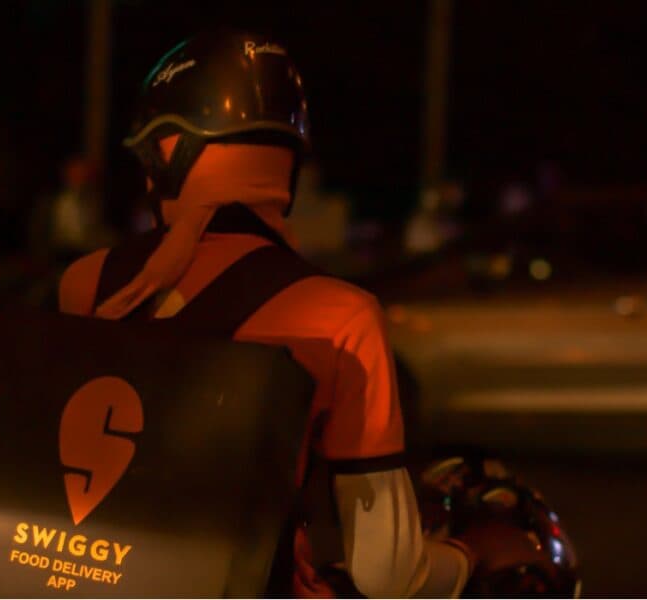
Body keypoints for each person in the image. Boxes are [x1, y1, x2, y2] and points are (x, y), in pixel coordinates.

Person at [58, 31, 524, 597]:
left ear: (166, 155)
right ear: (288, 165)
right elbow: (388, 576)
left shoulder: (86, 285)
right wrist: (474, 555)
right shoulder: (338, 316)